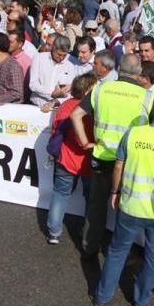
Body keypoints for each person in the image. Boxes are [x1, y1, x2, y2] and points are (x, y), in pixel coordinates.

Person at [92, 94, 154, 306]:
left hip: (130, 205)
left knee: (117, 251)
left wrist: (115, 192)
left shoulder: (134, 133)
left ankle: (102, 297)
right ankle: (141, 300)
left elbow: (118, 166)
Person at [69, 54, 153, 259]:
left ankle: (89, 248)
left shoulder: (101, 88)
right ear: (139, 72)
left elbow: (75, 115)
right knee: (126, 210)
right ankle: (120, 254)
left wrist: (84, 143)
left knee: (96, 206)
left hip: (102, 156)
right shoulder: (147, 96)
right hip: (131, 162)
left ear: (119, 69)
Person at [44, 72, 97, 245]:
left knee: (60, 194)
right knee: (91, 198)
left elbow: (54, 131)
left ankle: (53, 232)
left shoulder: (65, 106)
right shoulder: (93, 110)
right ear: (89, 90)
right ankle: (88, 235)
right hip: (88, 160)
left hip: (66, 158)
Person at [28, 36, 76, 109]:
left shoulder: (70, 66)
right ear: (53, 48)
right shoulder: (38, 58)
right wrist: (51, 93)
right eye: (59, 54)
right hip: (36, 106)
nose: (61, 58)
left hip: (57, 108)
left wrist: (55, 102)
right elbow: (33, 84)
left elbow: (69, 93)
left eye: (64, 55)